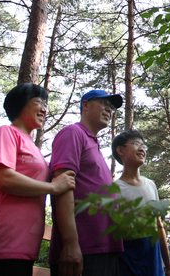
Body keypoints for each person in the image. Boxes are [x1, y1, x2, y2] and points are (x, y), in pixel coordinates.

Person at [0, 83, 76, 276]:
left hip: (24, 250)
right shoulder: (6, 133)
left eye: (46, 104)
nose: (45, 109)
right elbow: (4, 178)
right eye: (39, 102)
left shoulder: (34, 149)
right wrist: (53, 187)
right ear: (20, 103)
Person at [49, 89, 124, 276]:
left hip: (105, 248)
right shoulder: (73, 133)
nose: (109, 110)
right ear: (86, 105)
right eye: (104, 104)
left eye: (112, 108)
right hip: (83, 249)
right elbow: (63, 185)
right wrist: (70, 244)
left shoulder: (95, 145)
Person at [112, 130, 170, 276]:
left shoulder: (150, 186)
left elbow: (159, 226)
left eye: (143, 145)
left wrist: (169, 267)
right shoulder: (114, 189)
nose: (142, 149)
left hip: (155, 265)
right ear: (120, 150)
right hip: (128, 266)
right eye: (136, 144)